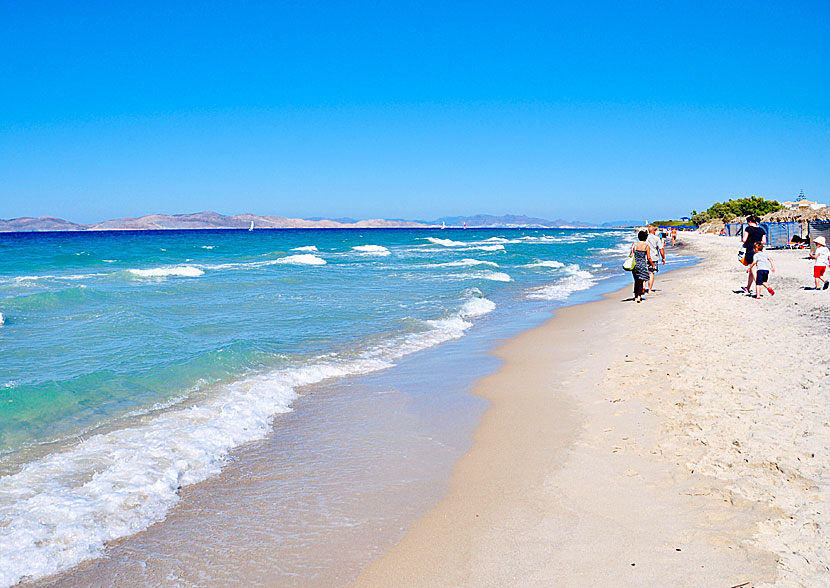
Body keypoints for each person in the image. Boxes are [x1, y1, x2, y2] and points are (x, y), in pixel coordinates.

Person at [741, 215, 766, 293]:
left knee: (753, 269)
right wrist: (757, 243)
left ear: (750, 222)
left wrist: (746, 240)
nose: (748, 224)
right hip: (760, 251)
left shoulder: (748, 229)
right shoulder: (762, 230)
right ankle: (747, 288)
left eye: (748, 222)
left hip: (751, 250)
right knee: (753, 269)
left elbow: (744, 240)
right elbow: (764, 241)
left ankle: (759, 287)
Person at [631, 230, 654, 303]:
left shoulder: (634, 245)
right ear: (646, 238)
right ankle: (639, 296)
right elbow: (649, 257)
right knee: (641, 281)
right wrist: (652, 265)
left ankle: (635, 296)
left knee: (636, 281)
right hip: (642, 265)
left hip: (635, 265)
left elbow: (631, 254)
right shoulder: (646, 246)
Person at [645, 225, 665, 294]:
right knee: (651, 273)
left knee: (644, 273)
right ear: (654, 231)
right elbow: (661, 248)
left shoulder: (645, 238)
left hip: (645, 258)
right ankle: (649, 290)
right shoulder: (657, 238)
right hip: (653, 257)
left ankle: (643, 287)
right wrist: (663, 258)